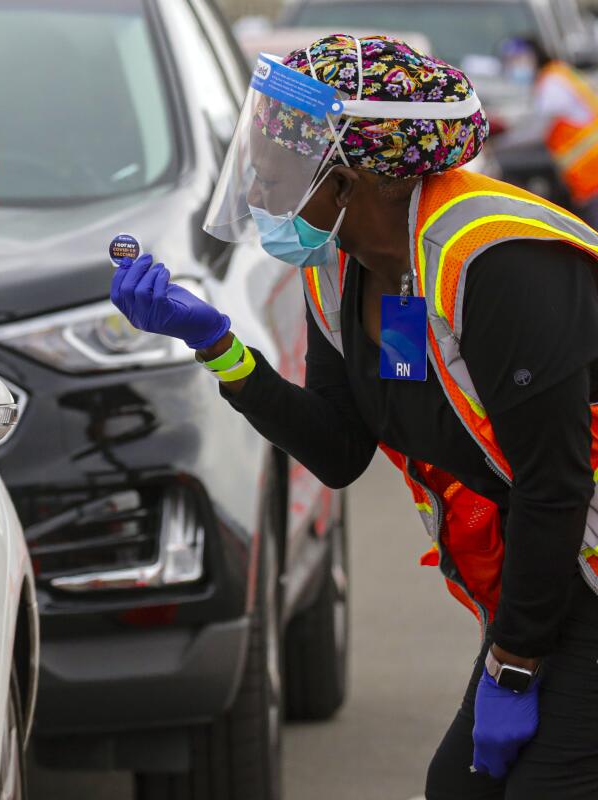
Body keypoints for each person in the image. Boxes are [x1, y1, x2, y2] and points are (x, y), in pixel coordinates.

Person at [111, 34, 598, 798]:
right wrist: (218, 347)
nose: (259, 189)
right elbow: (341, 448)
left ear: (345, 181)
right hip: (558, 569)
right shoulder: (344, 267)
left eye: (274, 170)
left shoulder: (498, 263)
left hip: (572, 554)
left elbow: (554, 482)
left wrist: (516, 664)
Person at [501, 35, 598, 226]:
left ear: (533, 57)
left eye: (517, 60)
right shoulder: (557, 75)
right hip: (588, 179)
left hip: (592, 175)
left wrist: (500, 143)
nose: (513, 67)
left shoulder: (552, 82)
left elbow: (538, 129)